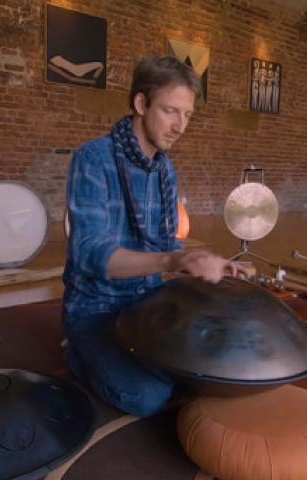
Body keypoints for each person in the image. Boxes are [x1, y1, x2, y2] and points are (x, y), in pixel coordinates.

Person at [62, 56, 234, 417]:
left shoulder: (164, 170)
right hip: (97, 308)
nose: (180, 126)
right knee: (148, 396)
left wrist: (207, 264)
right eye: (171, 111)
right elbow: (89, 253)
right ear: (141, 104)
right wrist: (172, 260)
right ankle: (77, 354)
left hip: (149, 300)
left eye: (187, 115)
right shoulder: (94, 158)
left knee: (214, 361)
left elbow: (168, 245)